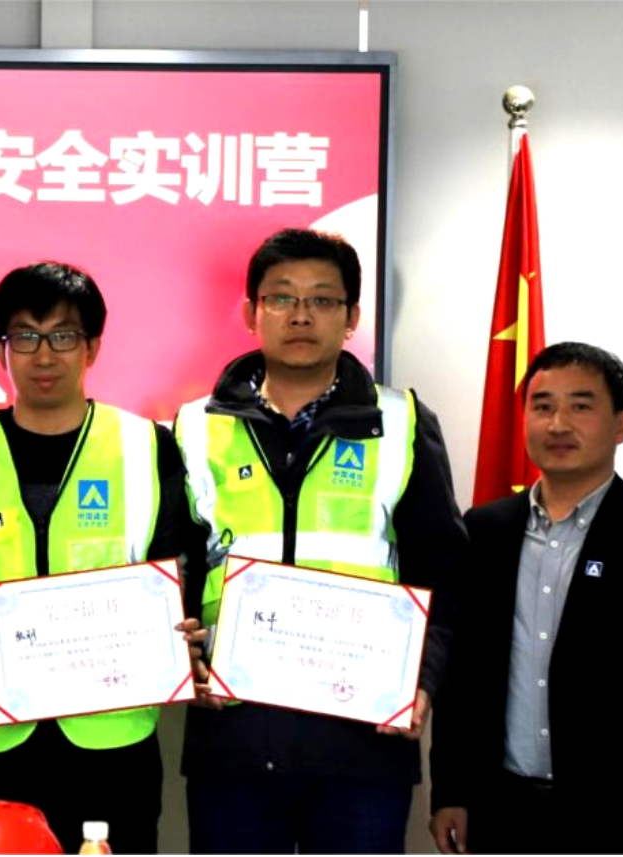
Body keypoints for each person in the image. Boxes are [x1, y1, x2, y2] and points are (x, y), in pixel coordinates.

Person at [172, 228, 467, 852]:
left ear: (352, 317)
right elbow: (178, 564)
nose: (301, 314)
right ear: (252, 313)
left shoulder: (402, 421)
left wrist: (423, 680)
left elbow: (443, 569)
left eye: (323, 299)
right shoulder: (193, 425)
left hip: (362, 734)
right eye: (281, 297)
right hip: (235, 735)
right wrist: (179, 656)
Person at [0, 262, 197, 854]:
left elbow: (176, 559)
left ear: (92, 347)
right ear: (0, 349)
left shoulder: (146, 445)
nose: (44, 354)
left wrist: (176, 625)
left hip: (112, 734)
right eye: (25, 336)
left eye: (62, 335)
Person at [430, 343, 623, 854]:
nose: (558, 424)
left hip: (616, 816)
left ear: (620, 425)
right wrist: (451, 790)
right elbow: (463, 679)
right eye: (542, 406)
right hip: (499, 811)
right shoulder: (484, 530)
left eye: (581, 406)